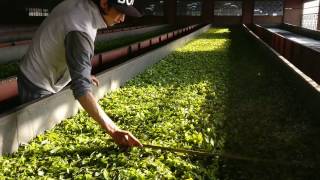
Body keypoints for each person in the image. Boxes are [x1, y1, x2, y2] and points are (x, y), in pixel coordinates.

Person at [17, 0, 143, 147]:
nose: (122, 19)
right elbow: (81, 89)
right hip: (36, 82)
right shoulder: (80, 28)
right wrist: (114, 130)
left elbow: (70, 49)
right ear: (104, 3)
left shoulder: (80, 7)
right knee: (39, 138)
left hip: (46, 71)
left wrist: (81, 73)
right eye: (120, 11)